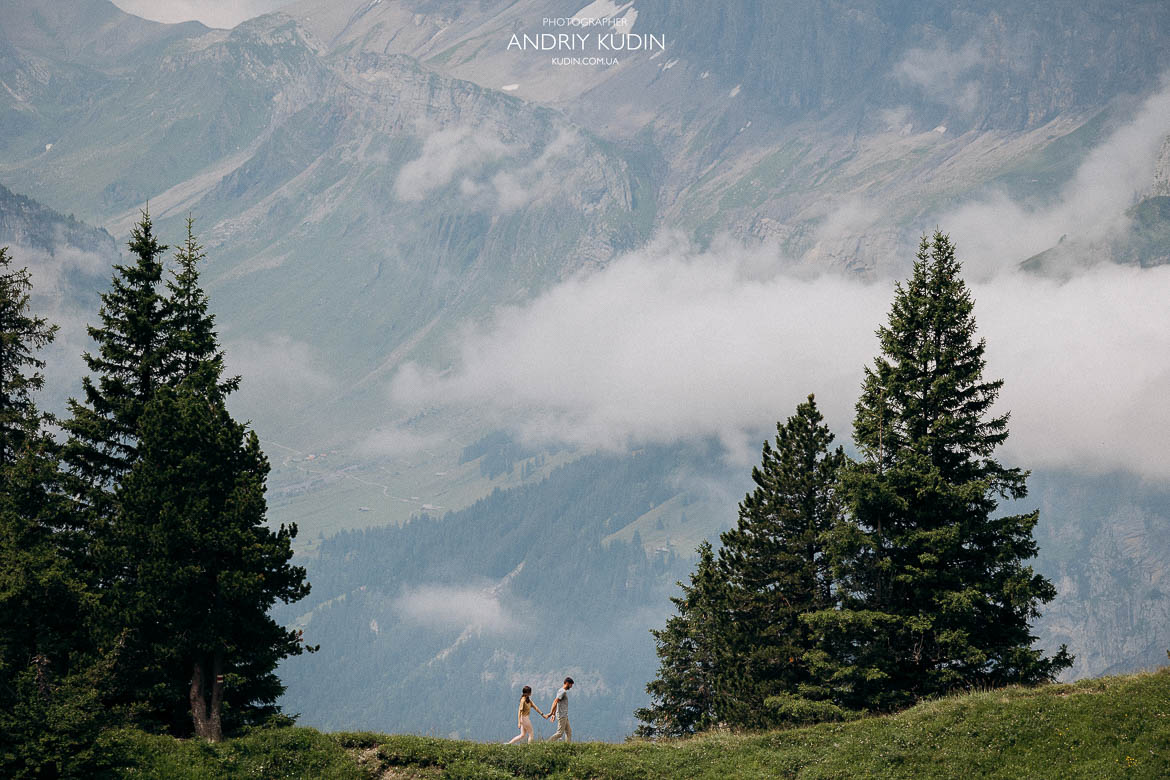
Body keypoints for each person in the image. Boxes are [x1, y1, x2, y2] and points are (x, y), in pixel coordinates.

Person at [545, 677, 574, 742]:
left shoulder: (561, 691)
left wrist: (553, 714)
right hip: (562, 715)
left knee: (569, 732)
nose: (571, 686)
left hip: (564, 715)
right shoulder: (562, 691)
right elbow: (555, 701)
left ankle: (568, 746)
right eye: (571, 684)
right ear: (567, 683)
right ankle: (547, 743)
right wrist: (551, 713)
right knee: (560, 733)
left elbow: (557, 703)